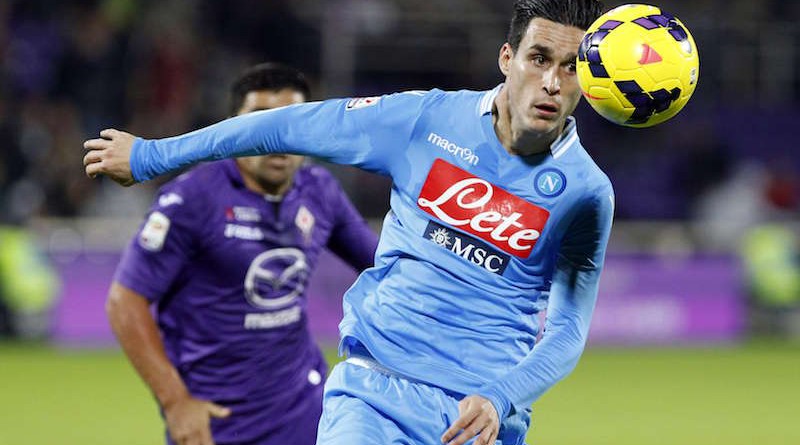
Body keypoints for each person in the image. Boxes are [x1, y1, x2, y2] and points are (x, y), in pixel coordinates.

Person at [85, 1, 614, 444]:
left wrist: (502, 397)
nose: (550, 82)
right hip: (372, 393)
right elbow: (287, 125)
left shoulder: (586, 193)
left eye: (570, 66)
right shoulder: (423, 121)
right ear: (507, 58)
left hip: (479, 417)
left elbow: (567, 330)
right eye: (538, 58)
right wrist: (154, 156)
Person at [104, 63, 378, 445]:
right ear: (235, 129)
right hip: (217, 419)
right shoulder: (193, 198)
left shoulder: (320, 190)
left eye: (291, 121)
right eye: (260, 121)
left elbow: (384, 265)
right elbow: (125, 302)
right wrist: (176, 403)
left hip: (307, 409)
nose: (276, 137)